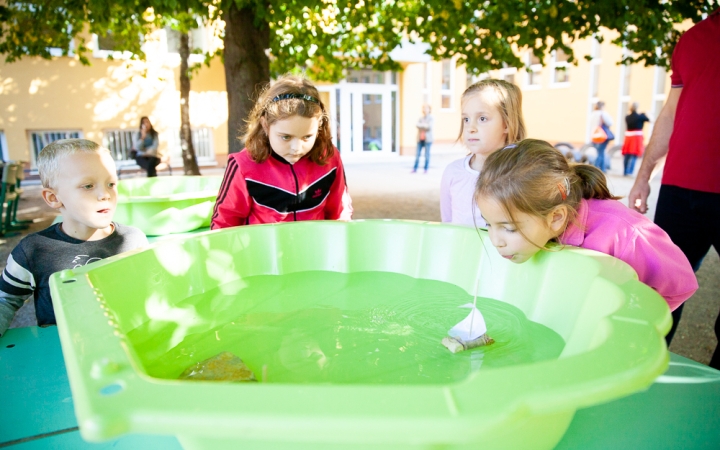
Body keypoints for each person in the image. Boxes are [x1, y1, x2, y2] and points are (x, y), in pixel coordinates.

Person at [475, 139, 697, 311]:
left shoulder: (624, 233)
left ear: (556, 218)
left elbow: (681, 285)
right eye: (488, 224)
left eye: (509, 228)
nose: (495, 241)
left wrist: (633, 317)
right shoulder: (537, 225)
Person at [628, 9, 720, 368]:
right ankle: (643, 375)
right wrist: (643, 176)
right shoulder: (692, 38)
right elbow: (670, 112)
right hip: (679, 192)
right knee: (660, 292)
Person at [0, 139, 148, 336]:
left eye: (111, 184)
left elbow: (150, 292)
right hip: (65, 357)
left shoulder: (133, 240)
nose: (105, 194)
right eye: (88, 186)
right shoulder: (33, 250)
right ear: (53, 198)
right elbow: (6, 300)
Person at [211, 75, 352, 228]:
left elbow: (340, 214)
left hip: (315, 250)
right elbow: (224, 222)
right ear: (265, 125)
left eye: (307, 137)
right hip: (261, 251)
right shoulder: (243, 166)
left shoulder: (330, 158)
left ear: (319, 127)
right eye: (285, 137)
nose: (296, 148)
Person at [440, 79, 526, 227]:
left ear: (507, 123)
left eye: (482, 118)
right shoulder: (453, 172)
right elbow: (447, 225)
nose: (470, 128)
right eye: (466, 119)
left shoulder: (522, 172)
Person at [621, 102, 650, 176]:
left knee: (627, 154)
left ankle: (625, 171)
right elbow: (650, 120)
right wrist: (647, 113)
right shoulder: (640, 116)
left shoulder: (627, 117)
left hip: (628, 137)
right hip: (636, 137)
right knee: (634, 154)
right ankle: (630, 171)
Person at [589, 101, 614, 173]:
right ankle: (596, 168)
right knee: (601, 153)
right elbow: (610, 123)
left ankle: (602, 168)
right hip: (601, 136)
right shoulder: (603, 114)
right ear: (602, 106)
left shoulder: (592, 114)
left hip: (594, 136)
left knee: (600, 152)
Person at [412, 104, 434, 173]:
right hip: (420, 139)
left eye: (426, 108)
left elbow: (429, 127)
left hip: (428, 139)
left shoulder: (431, 118)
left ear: (429, 109)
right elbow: (417, 125)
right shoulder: (421, 118)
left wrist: (421, 126)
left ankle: (426, 169)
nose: (425, 110)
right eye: (424, 108)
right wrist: (424, 126)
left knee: (427, 155)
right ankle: (415, 168)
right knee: (417, 154)